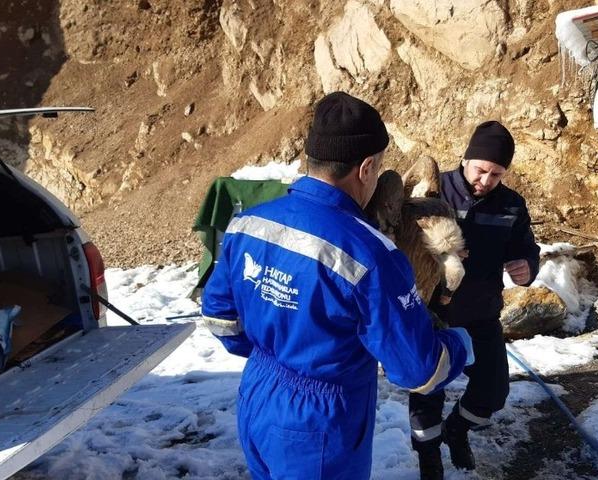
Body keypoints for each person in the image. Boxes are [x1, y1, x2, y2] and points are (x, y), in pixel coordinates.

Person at [201, 91, 474, 480]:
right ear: (366, 168)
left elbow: (220, 318)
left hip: (257, 398)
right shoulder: (371, 255)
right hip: (320, 426)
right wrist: (461, 344)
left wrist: (278, 351)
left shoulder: (249, 223)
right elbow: (418, 369)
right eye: (378, 169)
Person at [409, 121, 540, 479]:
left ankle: (458, 430)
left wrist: (527, 265)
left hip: (481, 312)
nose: (486, 180)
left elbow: (526, 247)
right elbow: (404, 243)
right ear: (466, 158)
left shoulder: (511, 205)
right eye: (481, 169)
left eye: (496, 174)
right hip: (434, 314)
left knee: (493, 390)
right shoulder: (435, 193)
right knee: (428, 390)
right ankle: (428, 458)